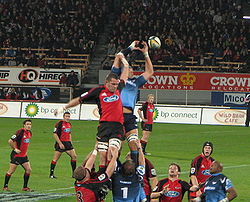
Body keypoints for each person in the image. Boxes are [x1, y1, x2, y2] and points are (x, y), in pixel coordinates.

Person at [55, 53, 129, 173]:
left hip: (117, 126)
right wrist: (63, 108)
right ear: (107, 82)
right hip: (104, 126)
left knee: (112, 151)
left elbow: (125, 75)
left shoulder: (118, 88)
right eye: (113, 84)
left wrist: (124, 61)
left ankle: (110, 175)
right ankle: (102, 178)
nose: (115, 87)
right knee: (103, 156)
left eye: (116, 84)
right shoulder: (98, 91)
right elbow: (79, 99)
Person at [111, 40, 154, 164]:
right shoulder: (117, 78)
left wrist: (146, 53)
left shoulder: (136, 82)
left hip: (129, 116)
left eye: (131, 69)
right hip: (117, 115)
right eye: (128, 68)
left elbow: (150, 72)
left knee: (134, 144)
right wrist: (130, 47)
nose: (130, 70)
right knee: (117, 147)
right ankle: (115, 168)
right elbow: (118, 56)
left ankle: (135, 169)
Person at [3, 120, 33, 191]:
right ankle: (5, 186)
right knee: (11, 171)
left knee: (28, 170)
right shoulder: (20, 132)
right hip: (16, 156)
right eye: (27, 124)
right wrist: (15, 149)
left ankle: (25, 187)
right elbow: (10, 141)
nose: (29, 126)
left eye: (30, 124)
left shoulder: (29, 133)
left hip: (24, 156)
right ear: (24, 125)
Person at [49, 112, 77, 178]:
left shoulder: (69, 124)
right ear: (63, 117)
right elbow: (55, 134)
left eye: (68, 116)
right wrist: (60, 143)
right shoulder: (59, 123)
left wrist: (70, 142)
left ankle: (74, 174)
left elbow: (69, 133)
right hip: (61, 143)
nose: (67, 118)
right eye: (66, 116)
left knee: (74, 156)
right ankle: (51, 174)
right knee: (55, 159)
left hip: (68, 143)